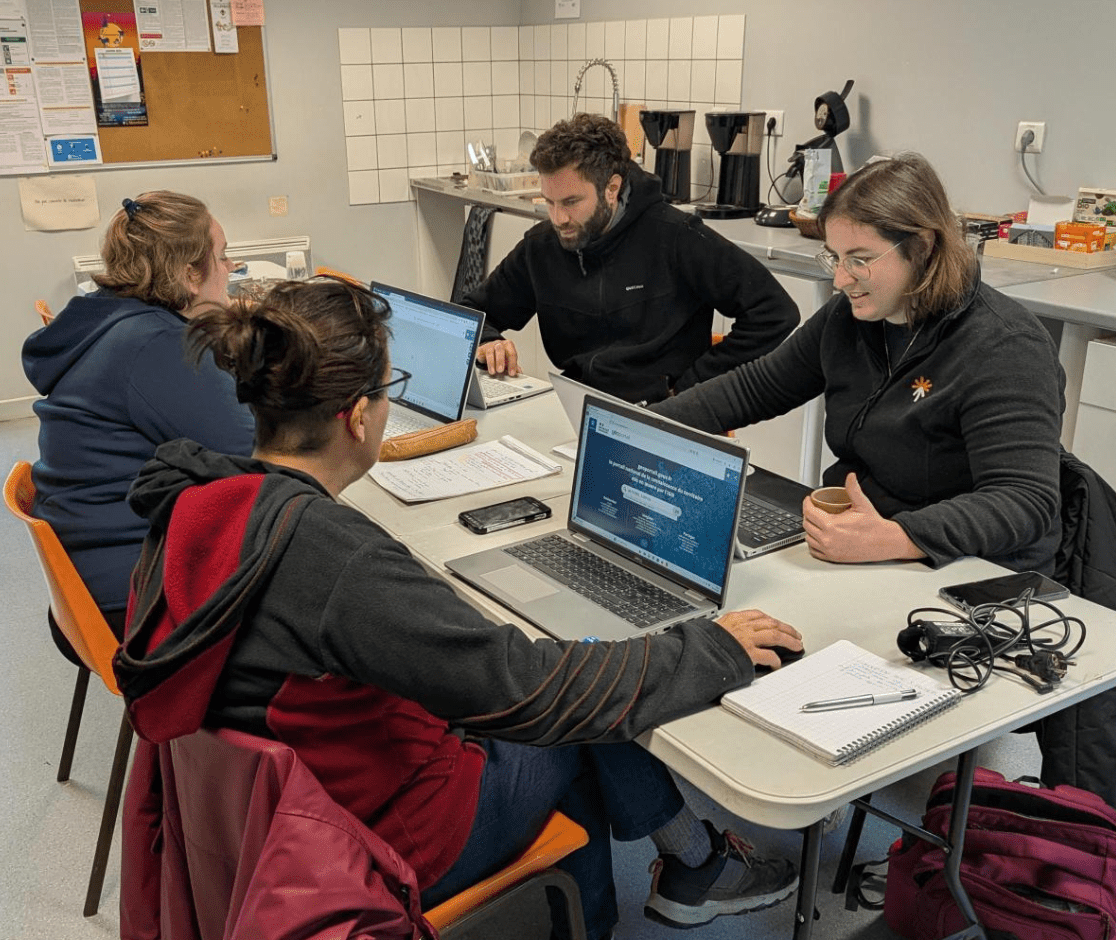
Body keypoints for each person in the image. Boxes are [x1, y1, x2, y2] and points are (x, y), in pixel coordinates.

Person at [114, 277, 805, 940]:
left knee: (578, 684)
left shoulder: (198, 503)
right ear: (358, 417)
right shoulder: (335, 560)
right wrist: (710, 649)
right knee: (578, 715)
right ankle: (683, 871)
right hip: (378, 835)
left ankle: (670, 874)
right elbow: (534, 693)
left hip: (262, 817)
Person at [652, 153, 1064, 574]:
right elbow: (753, 388)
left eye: (860, 260)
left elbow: (1023, 501)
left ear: (922, 247)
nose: (840, 279)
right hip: (865, 547)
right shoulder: (850, 318)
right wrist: (640, 427)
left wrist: (898, 536)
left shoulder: (1006, 346)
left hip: (967, 572)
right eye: (835, 257)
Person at [22, 191, 255, 652]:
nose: (230, 270)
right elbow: (256, 456)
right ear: (190, 274)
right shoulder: (155, 345)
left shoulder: (107, 320)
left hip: (86, 585)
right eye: (223, 258)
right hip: (130, 601)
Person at [465, 113, 800, 405]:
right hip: (576, 403)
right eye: (549, 202)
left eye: (570, 202)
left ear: (612, 188)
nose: (558, 218)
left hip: (663, 413)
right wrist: (489, 340)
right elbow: (470, 312)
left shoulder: (676, 236)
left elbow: (774, 312)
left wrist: (691, 388)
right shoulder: (542, 246)